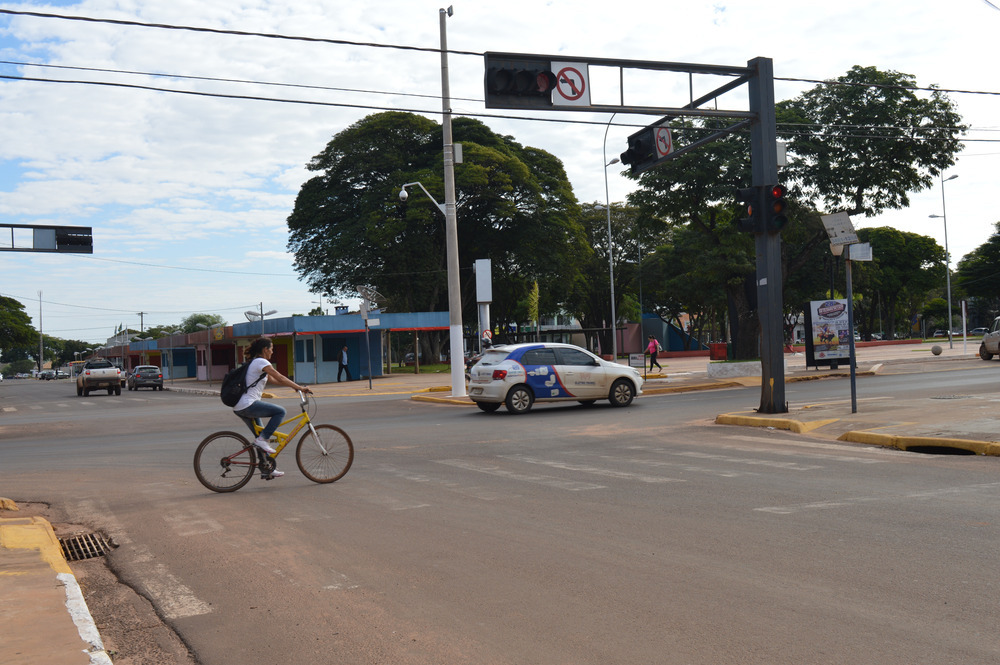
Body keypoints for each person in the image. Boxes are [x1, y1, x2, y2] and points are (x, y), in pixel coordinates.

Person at [233, 338, 311, 478]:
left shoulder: (255, 363)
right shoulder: (262, 362)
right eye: (271, 349)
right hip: (248, 405)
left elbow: (274, 380)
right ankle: (262, 441)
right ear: (265, 350)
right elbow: (280, 377)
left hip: (242, 405)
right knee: (280, 412)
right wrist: (299, 387)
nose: (272, 352)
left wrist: (292, 387)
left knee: (261, 435)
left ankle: (266, 469)